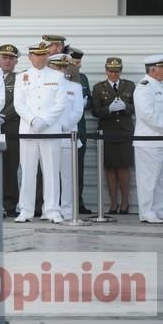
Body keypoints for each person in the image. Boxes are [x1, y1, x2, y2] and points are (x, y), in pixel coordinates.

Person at [14, 41, 67, 223]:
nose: (41, 58)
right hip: (28, 129)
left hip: (50, 129)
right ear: (30, 57)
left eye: (44, 54)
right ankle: (26, 210)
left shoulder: (58, 76)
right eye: (37, 55)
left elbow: (61, 104)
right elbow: (18, 103)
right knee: (27, 170)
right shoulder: (21, 77)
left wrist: (44, 121)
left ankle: (52, 210)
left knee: (52, 171)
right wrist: (33, 119)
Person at [91, 57, 135, 215]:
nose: (113, 74)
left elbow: (136, 106)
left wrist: (126, 107)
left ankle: (125, 203)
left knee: (123, 168)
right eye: (110, 70)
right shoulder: (98, 87)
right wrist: (108, 109)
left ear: (121, 71)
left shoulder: (129, 85)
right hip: (107, 132)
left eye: (116, 71)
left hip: (124, 132)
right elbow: (95, 111)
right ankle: (113, 204)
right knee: (110, 168)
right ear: (105, 70)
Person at [48, 53, 84, 219]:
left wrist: (63, 126)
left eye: (64, 66)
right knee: (50, 176)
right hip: (48, 135)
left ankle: (68, 209)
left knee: (68, 177)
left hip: (68, 135)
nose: (61, 70)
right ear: (51, 67)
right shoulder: (46, 86)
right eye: (58, 66)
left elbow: (78, 111)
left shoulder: (74, 87)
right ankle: (50, 208)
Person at [133, 54, 163, 224]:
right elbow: (148, 116)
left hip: (161, 140)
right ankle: (146, 211)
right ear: (153, 69)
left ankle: (159, 210)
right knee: (148, 179)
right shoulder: (144, 87)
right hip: (149, 141)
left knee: (161, 180)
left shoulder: (160, 86)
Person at [0, 44, 20, 217]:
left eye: (11, 58)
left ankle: (10, 204)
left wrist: (3, 115)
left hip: (11, 126)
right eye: (4, 57)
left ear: (16, 61)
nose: (7, 61)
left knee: (10, 167)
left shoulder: (20, 78)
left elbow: (19, 101)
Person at [69, 47, 93, 214]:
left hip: (80, 127)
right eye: (74, 62)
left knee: (78, 167)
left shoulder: (82, 78)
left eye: (78, 62)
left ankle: (78, 201)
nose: (77, 65)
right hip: (61, 128)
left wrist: (85, 102)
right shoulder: (59, 77)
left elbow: (90, 101)